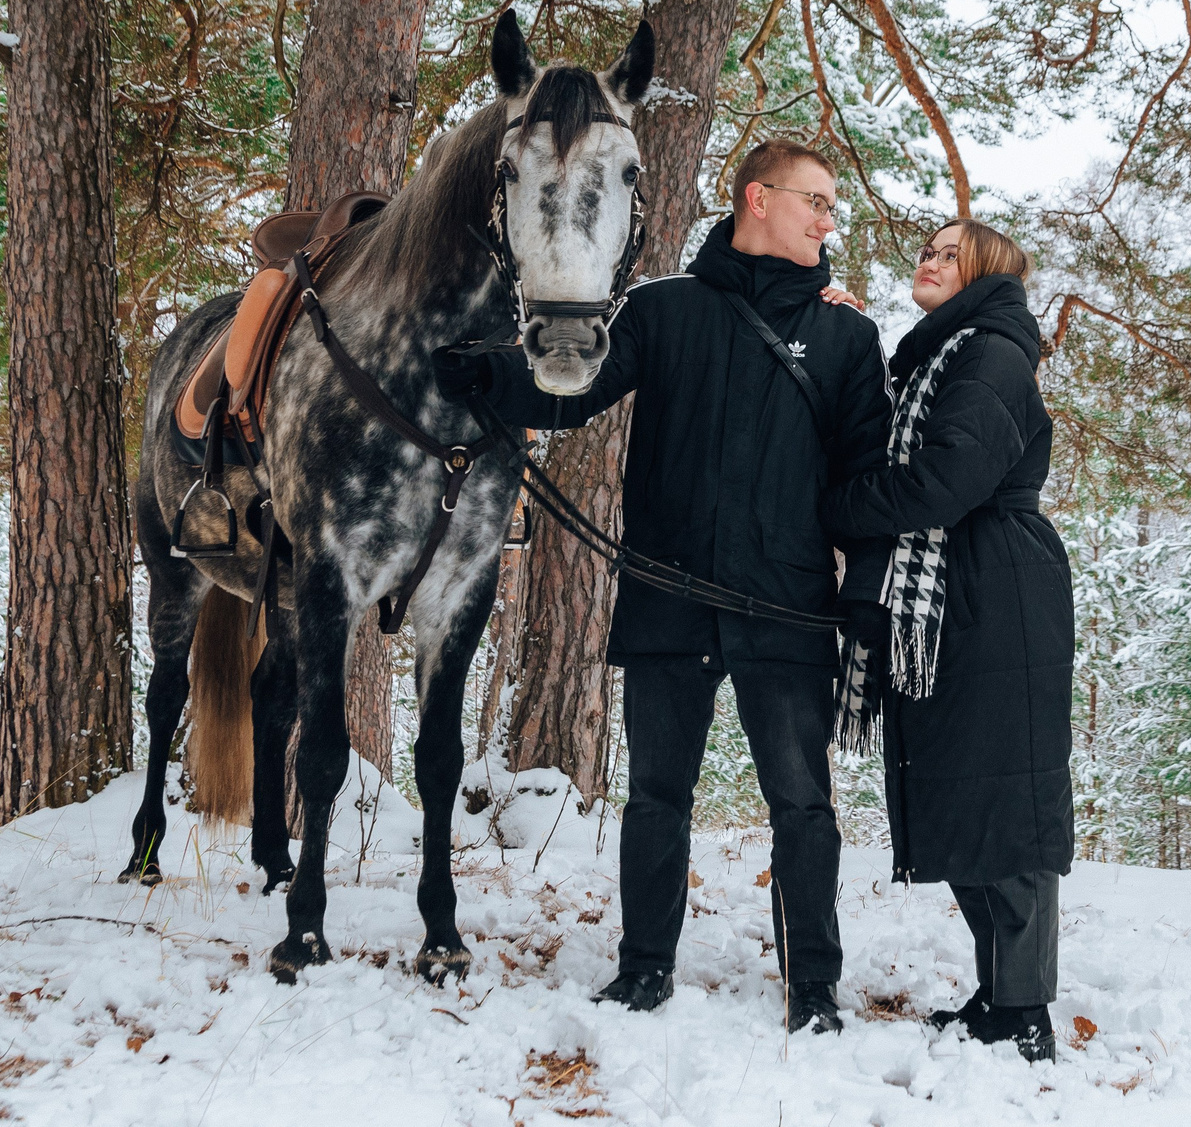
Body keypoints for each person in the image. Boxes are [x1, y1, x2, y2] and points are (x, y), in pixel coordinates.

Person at [445, 140, 888, 1032]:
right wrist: (485, 372)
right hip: (668, 601)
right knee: (656, 798)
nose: (828, 218)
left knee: (803, 805)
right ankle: (644, 968)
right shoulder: (662, 308)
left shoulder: (847, 335)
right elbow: (572, 392)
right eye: (816, 199)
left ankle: (813, 986)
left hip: (787, 609)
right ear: (757, 198)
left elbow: (864, 480)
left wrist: (865, 595)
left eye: (832, 205)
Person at [823, 219, 1074, 1064]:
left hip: (996, 591)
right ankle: (1001, 993)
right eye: (925, 249)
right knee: (966, 792)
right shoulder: (940, 354)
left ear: (986, 272)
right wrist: (841, 326)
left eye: (949, 253)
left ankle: (1025, 1010)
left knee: (1008, 796)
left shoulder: (992, 352)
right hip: (953, 591)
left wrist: (837, 509)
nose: (928, 260)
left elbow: (945, 480)